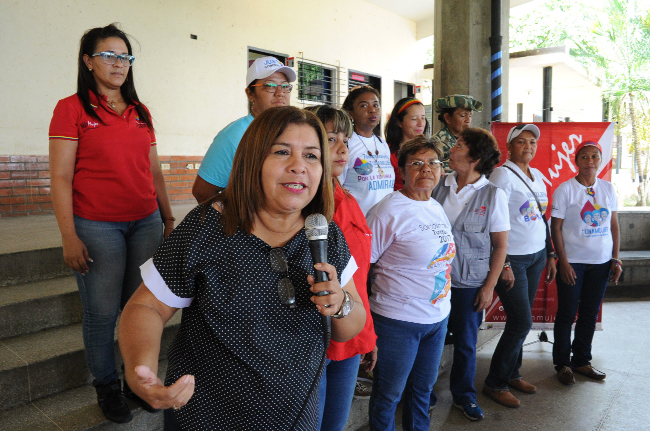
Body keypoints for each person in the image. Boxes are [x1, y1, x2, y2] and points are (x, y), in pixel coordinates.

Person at [118, 106, 366, 430]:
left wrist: (340, 305)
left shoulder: (324, 233)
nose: (298, 167)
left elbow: (353, 323)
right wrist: (142, 371)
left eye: (311, 156)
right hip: (206, 418)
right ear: (253, 159)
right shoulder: (208, 226)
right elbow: (147, 306)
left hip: (294, 417)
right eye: (282, 152)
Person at [48, 24, 173, 424]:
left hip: (146, 223)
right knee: (102, 313)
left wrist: (168, 217)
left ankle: (141, 382)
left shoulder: (141, 111)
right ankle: (107, 385)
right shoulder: (71, 109)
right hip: (97, 227)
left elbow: (153, 171)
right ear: (88, 61)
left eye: (125, 57)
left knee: (142, 309)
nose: (119, 64)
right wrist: (69, 235)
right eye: (109, 55)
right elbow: (61, 177)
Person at [366, 136, 454, 431]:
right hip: (397, 320)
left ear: (441, 170)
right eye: (416, 163)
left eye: (433, 163)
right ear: (401, 171)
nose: (426, 169)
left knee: (422, 393)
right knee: (388, 396)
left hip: (436, 318)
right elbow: (364, 266)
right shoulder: (387, 211)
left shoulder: (435, 206)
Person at [305, 105, 377, 431]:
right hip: (314, 340)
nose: (342, 148)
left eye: (345, 139)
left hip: (348, 327)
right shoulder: (307, 205)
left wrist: (366, 334)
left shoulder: (345, 198)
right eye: (331, 138)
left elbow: (357, 279)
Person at [430, 128, 509, 421]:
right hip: (434, 278)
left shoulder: (493, 195)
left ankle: (464, 395)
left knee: (465, 343)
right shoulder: (439, 185)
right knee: (432, 338)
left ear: (475, 157)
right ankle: (424, 392)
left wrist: (489, 286)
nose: (452, 148)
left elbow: (500, 246)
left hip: (469, 283)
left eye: (460, 145)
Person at [483, 124, 557, 408]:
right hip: (512, 259)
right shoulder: (502, 175)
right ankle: (495, 383)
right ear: (510, 147)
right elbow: (493, 220)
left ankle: (512, 373)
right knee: (522, 322)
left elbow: (542, 218)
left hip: (536, 255)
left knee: (519, 322)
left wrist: (550, 253)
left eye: (532, 142)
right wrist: (504, 263)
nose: (528, 146)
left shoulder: (537, 176)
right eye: (522, 142)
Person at [550, 141, 622, 386]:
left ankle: (582, 361)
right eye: (584, 157)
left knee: (589, 314)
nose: (590, 161)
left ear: (600, 161)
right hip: (574, 264)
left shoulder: (608, 188)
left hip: (601, 264)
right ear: (576, 161)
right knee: (567, 314)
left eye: (595, 156)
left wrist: (615, 258)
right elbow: (556, 227)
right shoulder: (565, 189)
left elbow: (613, 225)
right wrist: (564, 262)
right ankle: (562, 364)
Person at [192, 56, 297, 202]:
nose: (280, 93)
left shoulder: (296, 130)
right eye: (270, 86)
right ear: (250, 94)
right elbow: (203, 192)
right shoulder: (233, 136)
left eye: (285, 86)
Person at [340, 86, 396, 214]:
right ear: (350, 113)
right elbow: (337, 188)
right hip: (358, 223)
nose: (372, 110)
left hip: (383, 221)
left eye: (376, 105)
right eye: (364, 106)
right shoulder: (346, 144)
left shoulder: (382, 144)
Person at [385, 98, 430, 190]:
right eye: (414, 119)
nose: (420, 124)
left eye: (423, 118)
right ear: (399, 122)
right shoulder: (387, 152)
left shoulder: (430, 150)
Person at [433, 94, 483, 171]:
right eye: (462, 115)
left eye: (470, 116)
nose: (468, 120)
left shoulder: (471, 140)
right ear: (447, 118)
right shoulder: (437, 143)